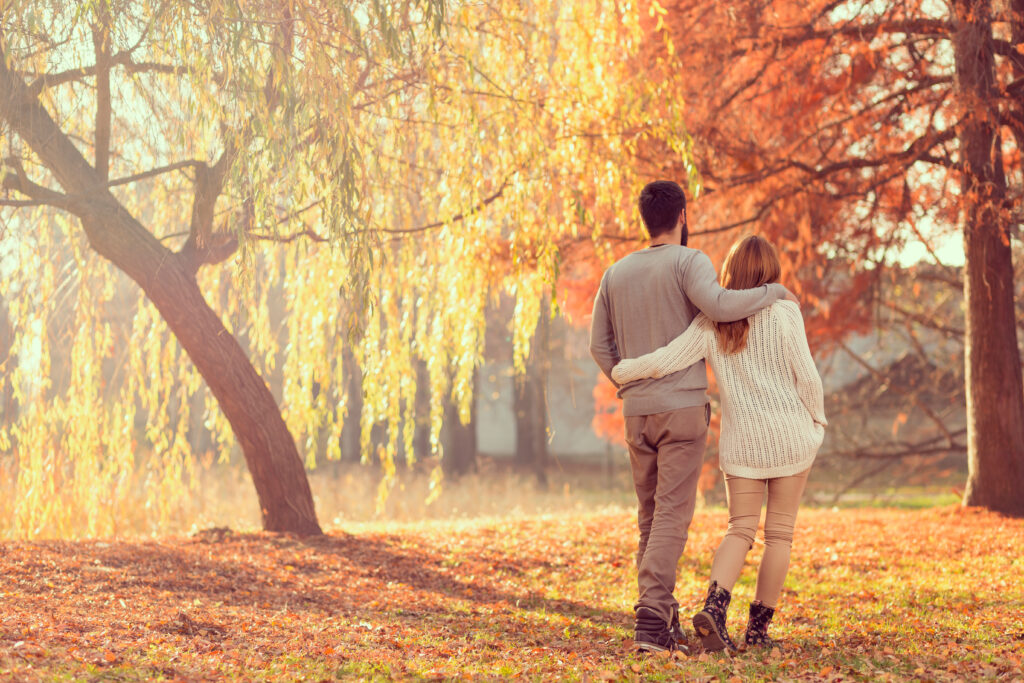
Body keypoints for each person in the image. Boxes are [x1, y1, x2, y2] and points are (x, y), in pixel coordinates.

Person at [588, 181, 795, 654]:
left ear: (646, 219)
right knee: (671, 518)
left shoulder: (614, 274)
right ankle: (651, 623)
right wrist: (774, 291)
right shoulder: (689, 261)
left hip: (636, 411)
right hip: (680, 409)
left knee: (649, 517)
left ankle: (660, 614)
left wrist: (628, 384)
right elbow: (721, 307)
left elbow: (599, 346)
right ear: (682, 214)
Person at [611, 234, 827, 652]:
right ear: (770, 273)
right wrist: (817, 422)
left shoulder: (713, 321)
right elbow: (808, 377)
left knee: (740, 529)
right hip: (791, 438)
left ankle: (715, 605)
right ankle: (759, 632)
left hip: (743, 444)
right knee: (779, 536)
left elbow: (666, 359)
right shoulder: (785, 312)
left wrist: (624, 370)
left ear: (730, 274)